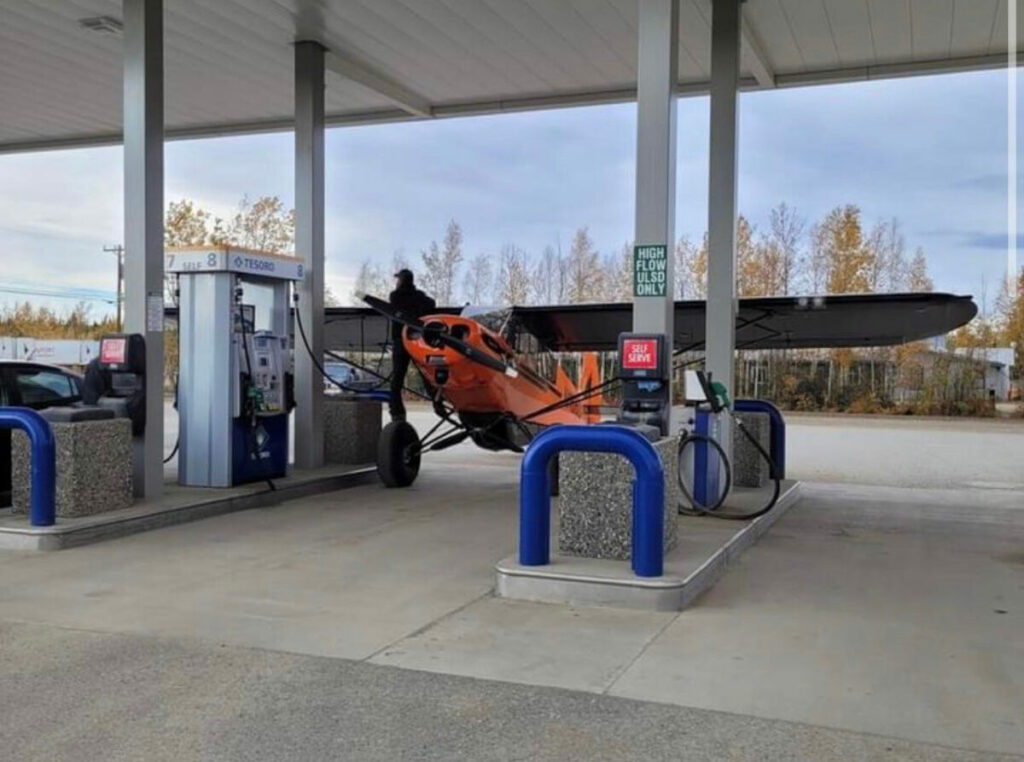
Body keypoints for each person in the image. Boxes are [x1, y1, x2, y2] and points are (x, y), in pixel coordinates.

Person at [388, 268, 436, 421]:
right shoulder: (420, 297)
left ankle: (397, 412)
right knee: (426, 375)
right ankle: (438, 402)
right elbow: (432, 303)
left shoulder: (395, 296)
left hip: (401, 341)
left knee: (397, 378)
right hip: (417, 342)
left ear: (401, 281)